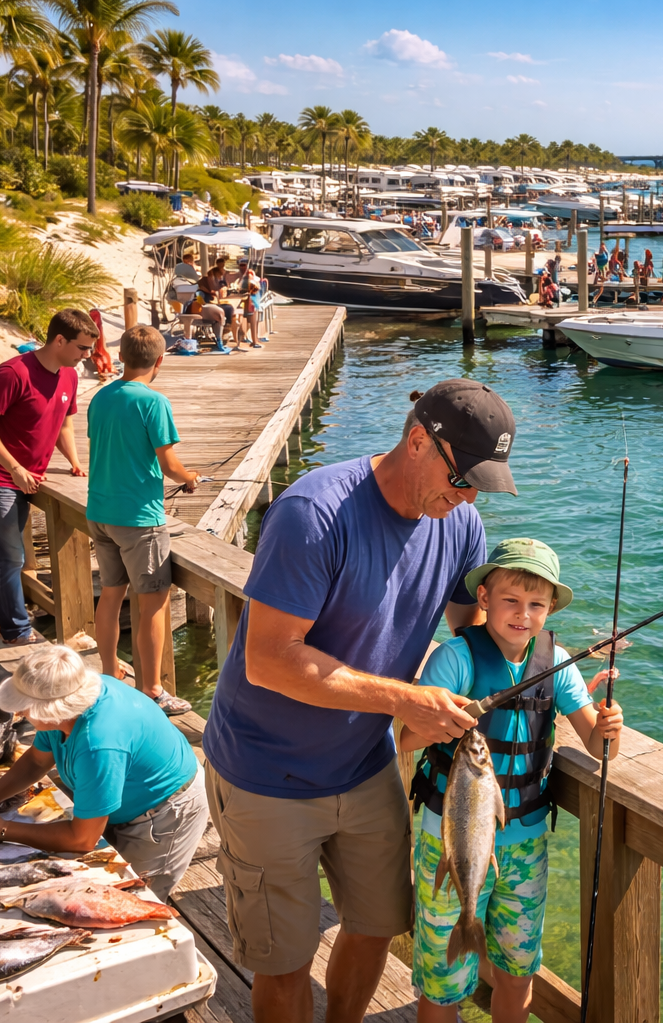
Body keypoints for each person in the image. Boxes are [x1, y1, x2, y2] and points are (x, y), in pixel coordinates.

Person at [201, 380, 518, 1023]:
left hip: (365, 762)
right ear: (418, 440)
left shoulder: (460, 524)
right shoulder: (313, 512)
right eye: (462, 480)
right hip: (267, 771)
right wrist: (405, 698)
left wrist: (545, 662)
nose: (468, 498)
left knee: (378, 923)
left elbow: (471, 637)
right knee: (283, 960)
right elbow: (268, 658)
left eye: (481, 486)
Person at [402, 539, 623, 1023]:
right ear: (483, 598)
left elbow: (597, 744)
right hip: (451, 842)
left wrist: (608, 729)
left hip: (525, 846)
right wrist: (446, 720)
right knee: (442, 988)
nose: (523, 614)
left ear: (549, 611)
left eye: (536, 604)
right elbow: (404, 739)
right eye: (511, 600)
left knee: (518, 973)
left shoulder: (556, 663)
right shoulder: (455, 660)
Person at [0, 644, 207, 901]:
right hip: (124, 793)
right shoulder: (69, 706)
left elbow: (82, 839)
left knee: (127, 894)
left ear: (54, 712)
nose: (20, 712)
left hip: (165, 813)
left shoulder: (98, 743)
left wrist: (2, 830)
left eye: (25, 706)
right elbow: (36, 761)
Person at [86, 326, 201, 717]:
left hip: (100, 514)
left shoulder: (101, 397)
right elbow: (170, 466)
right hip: (139, 520)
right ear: (160, 360)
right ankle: (152, 690)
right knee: (153, 604)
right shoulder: (154, 402)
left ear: (121, 357)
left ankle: (108, 670)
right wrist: (191, 478)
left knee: (112, 595)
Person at [0, 310, 94, 646]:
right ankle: (17, 633)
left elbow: (63, 421)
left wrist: (75, 462)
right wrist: (15, 468)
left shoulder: (69, 376)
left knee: (11, 557)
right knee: (8, 558)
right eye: (82, 348)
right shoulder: (12, 373)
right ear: (59, 340)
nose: (87, 356)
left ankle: (17, 623)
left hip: (28, 478)